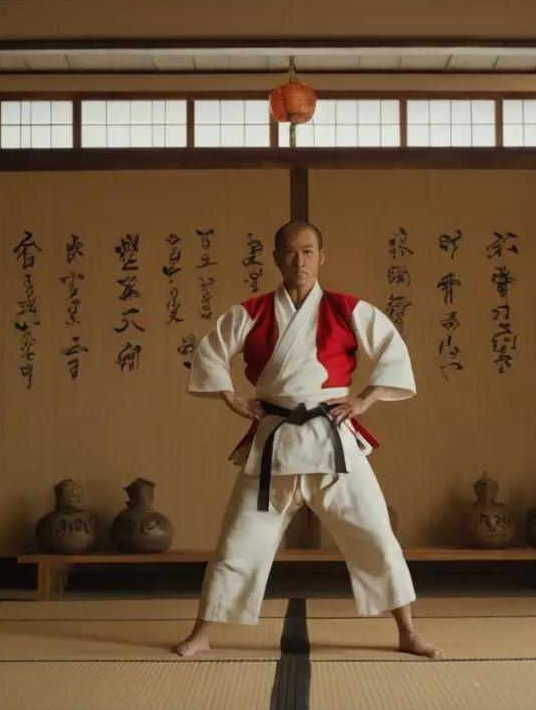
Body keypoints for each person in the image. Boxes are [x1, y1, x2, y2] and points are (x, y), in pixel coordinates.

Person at [171, 220, 441, 660]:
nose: (300, 262)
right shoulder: (252, 311)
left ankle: (408, 631)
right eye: (291, 252)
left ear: (322, 256)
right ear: (276, 257)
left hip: (332, 440)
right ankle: (201, 633)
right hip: (273, 443)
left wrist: (366, 399)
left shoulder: (346, 308)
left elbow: (392, 350)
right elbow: (210, 353)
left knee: (376, 536)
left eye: (309, 251)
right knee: (238, 541)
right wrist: (231, 398)